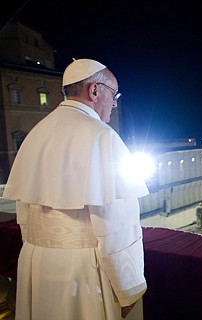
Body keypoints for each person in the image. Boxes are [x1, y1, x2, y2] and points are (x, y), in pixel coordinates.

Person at [3, 59, 149, 319]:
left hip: (36, 264)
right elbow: (118, 227)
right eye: (113, 95)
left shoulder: (36, 132)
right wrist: (128, 288)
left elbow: (23, 215)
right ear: (94, 91)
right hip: (83, 273)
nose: (114, 103)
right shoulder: (103, 136)